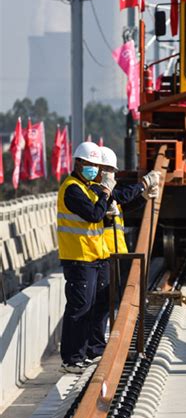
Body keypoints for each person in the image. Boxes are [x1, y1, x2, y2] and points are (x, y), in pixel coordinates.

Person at [57, 141, 114, 373]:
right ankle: (71, 359)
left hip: (93, 257)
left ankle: (89, 351)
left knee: (94, 306)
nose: (94, 169)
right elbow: (93, 215)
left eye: (96, 165)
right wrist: (105, 195)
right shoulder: (72, 189)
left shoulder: (88, 187)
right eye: (89, 164)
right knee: (79, 308)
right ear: (78, 163)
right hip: (78, 258)